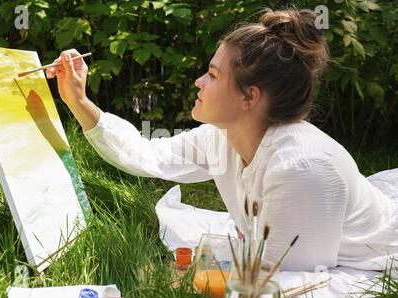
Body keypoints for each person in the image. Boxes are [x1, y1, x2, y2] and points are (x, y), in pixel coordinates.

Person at [46, 9, 398, 272]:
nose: (199, 81)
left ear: (250, 97)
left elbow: (292, 282)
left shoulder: (302, 169)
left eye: (213, 75)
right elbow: (147, 154)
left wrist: (175, 278)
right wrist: (79, 101)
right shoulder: (223, 136)